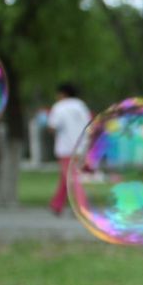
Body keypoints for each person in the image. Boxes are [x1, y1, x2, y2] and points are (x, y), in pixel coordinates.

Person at [46, 82, 91, 216]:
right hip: (81, 147)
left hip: (66, 149)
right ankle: (56, 205)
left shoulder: (59, 107)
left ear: (63, 94)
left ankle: (81, 208)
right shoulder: (81, 106)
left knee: (72, 178)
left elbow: (52, 126)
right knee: (66, 178)